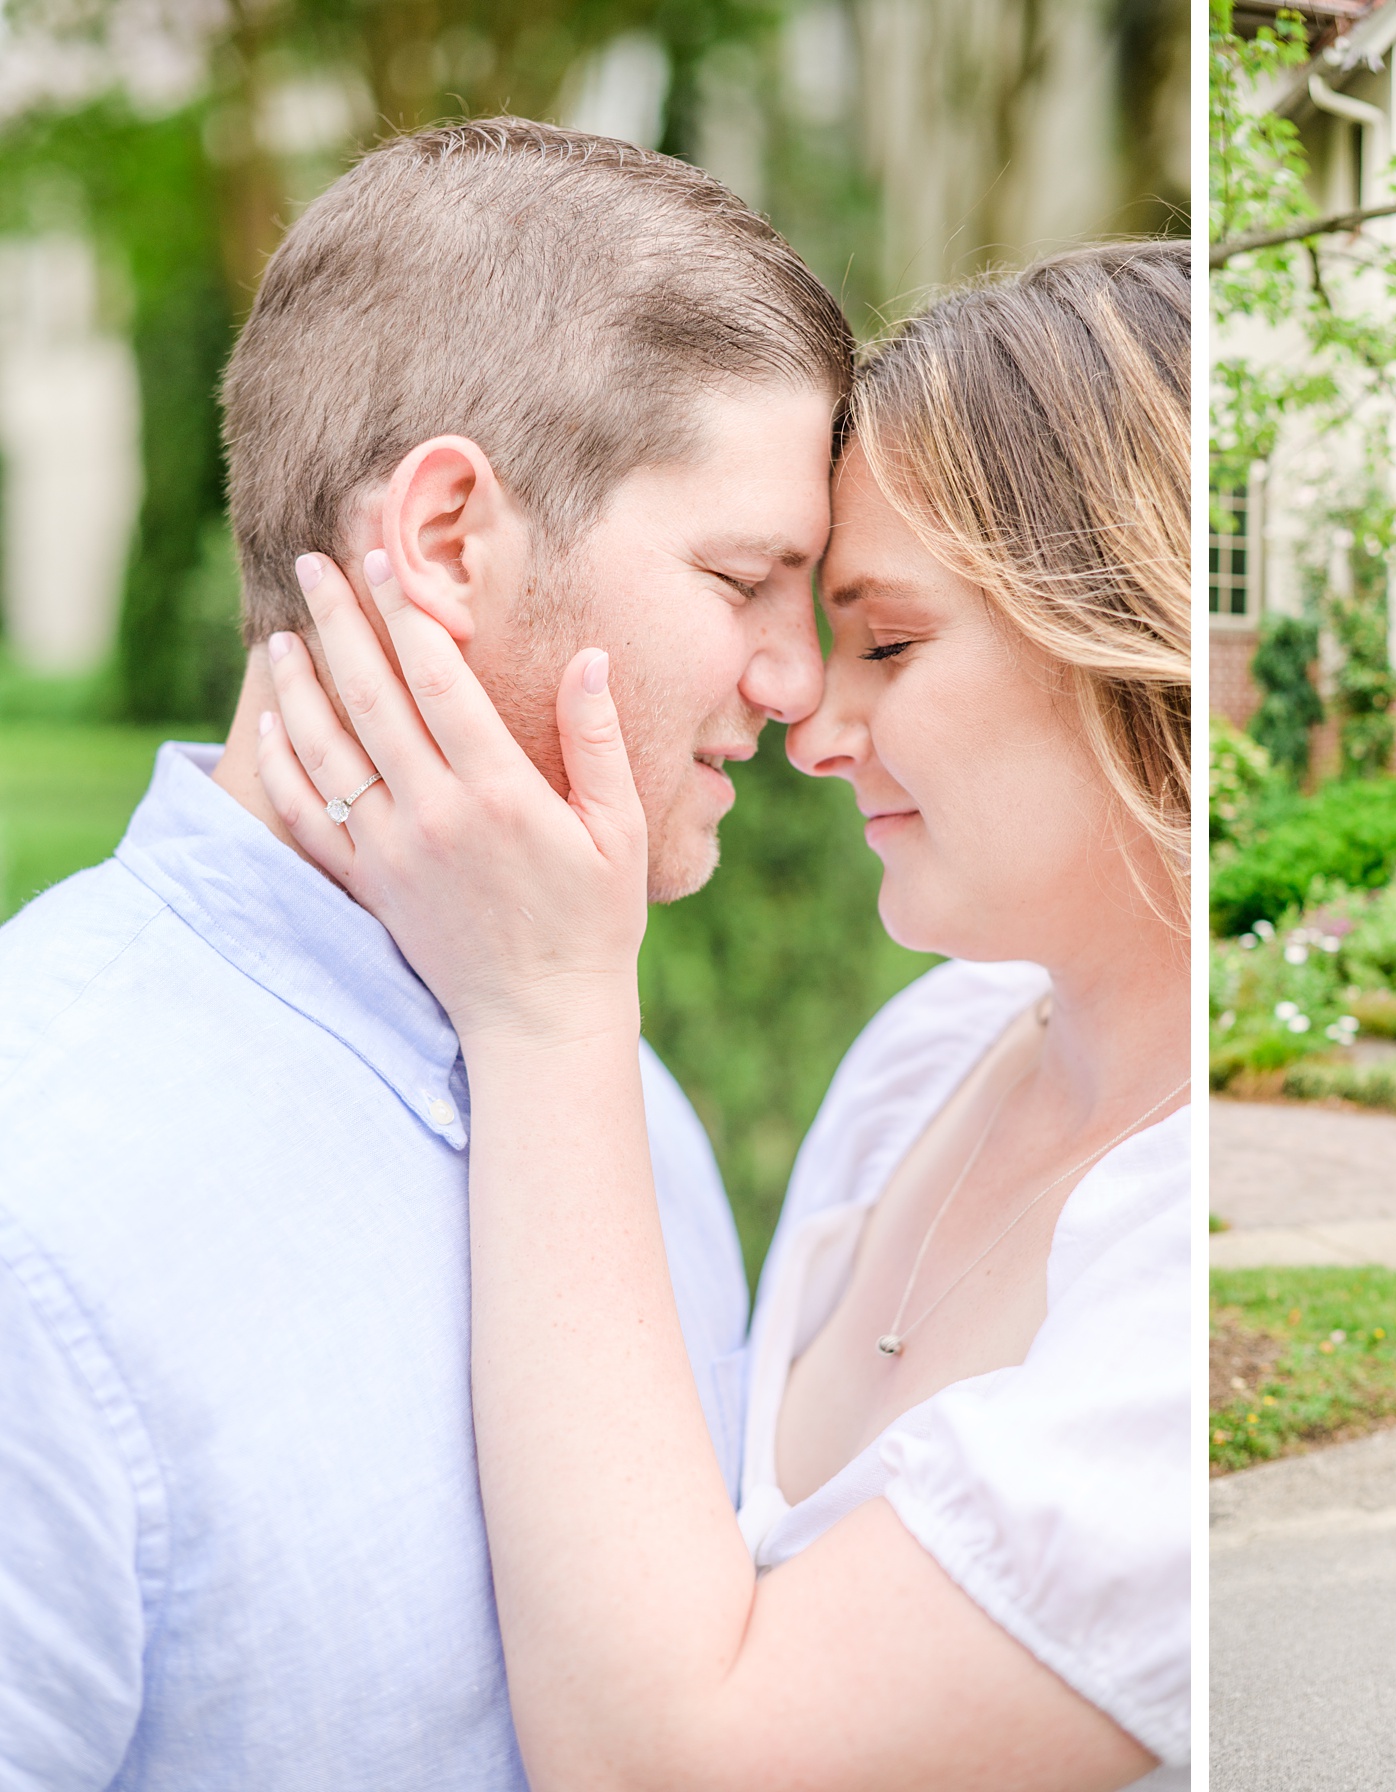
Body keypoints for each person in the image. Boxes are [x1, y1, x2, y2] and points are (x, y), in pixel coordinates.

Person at [251, 241, 1192, 1789]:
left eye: (887, 642)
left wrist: (551, 1007)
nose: (813, 723)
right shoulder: (929, 1057)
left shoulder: (1171, 1279)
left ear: (1127, 637)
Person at [0, 119, 850, 1788]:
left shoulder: (611, 1099)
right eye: (748, 579)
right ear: (453, 538)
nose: (795, 682)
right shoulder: (41, 1195)